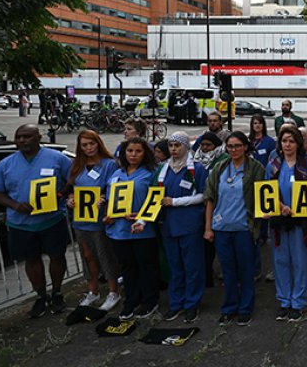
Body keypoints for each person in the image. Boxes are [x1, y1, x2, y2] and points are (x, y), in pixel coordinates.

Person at [0, 124, 73, 318]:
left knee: (57, 256)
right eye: (18, 137)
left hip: (51, 220)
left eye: (27, 136)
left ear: (38, 137)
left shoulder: (57, 159)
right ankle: (41, 296)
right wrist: (15, 205)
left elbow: (73, 180)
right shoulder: (6, 164)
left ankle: (57, 292)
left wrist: (61, 194)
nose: (22, 140)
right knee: (31, 260)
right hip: (20, 223)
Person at [204, 131, 266, 326]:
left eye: (238, 146)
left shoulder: (256, 168)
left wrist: (265, 212)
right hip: (222, 227)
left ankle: (245, 307)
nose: (234, 150)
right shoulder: (220, 168)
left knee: (246, 269)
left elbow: (264, 193)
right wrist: (208, 228)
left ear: (246, 146)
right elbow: (210, 198)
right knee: (227, 270)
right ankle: (229, 307)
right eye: (230, 146)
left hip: (243, 227)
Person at [156, 132, 209, 323]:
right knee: (175, 267)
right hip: (168, 225)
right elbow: (154, 197)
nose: (173, 149)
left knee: (192, 266)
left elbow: (204, 195)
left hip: (189, 225)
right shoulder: (163, 170)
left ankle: (192, 303)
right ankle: (176, 303)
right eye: (171, 146)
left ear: (186, 147)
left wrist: (176, 202)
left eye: (177, 146)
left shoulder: (197, 170)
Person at [65, 130, 121, 311]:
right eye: (84, 145)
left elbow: (115, 188)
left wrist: (104, 197)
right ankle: (93, 290)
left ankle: (113, 291)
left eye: (92, 143)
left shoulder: (109, 164)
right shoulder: (76, 165)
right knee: (87, 256)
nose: (89, 148)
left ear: (98, 143)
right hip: (81, 219)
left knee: (105, 254)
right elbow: (72, 188)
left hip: (100, 218)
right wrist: (71, 199)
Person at [105, 137, 159, 321]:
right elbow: (110, 199)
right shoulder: (115, 175)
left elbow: (157, 199)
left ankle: (150, 301)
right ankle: (131, 301)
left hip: (143, 230)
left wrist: (142, 218)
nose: (133, 155)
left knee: (146, 266)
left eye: (138, 151)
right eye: (130, 151)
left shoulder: (151, 173)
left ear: (145, 153)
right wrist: (106, 209)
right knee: (128, 268)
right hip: (119, 231)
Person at [265, 126, 307, 322]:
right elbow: (266, 190)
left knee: (300, 261)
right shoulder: (273, 165)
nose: (287, 145)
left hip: (299, 221)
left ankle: (299, 302)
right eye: (284, 141)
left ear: (298, 144)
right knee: (280, 260)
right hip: (279, 219)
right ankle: (284, 300)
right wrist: (280, 205)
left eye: (291, 141)